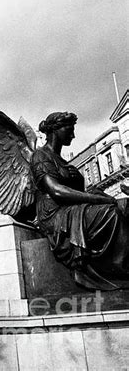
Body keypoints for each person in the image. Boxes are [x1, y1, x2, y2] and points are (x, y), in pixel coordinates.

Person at [31, 112, 129, 290]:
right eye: (69, 130)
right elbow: (57, 191)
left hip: (73, 210)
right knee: (110, 213)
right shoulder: (40, 156)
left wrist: (102, 195)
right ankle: (116, 268)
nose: (73, 135)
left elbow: (79, 192)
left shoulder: (62, 161)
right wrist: (97, 199)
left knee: (125, 206)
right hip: (56, 215)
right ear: (55, 130)